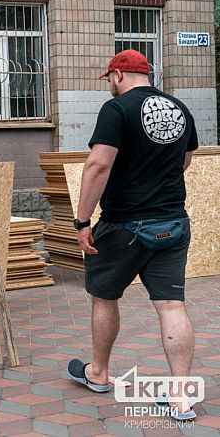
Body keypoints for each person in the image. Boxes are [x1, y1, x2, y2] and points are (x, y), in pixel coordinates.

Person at [67, 49, 198, 421]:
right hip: (172, 223)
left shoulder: (117, 109)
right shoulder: (178, 107)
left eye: (109, 78)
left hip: (124, 224)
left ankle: (99, 373)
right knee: (172, 306)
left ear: (119, 75)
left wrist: (82, 221)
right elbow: (185, 160)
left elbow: (98, 164)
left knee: (104, 297)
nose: (109, 84)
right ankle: (180, 399)